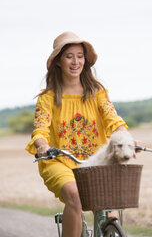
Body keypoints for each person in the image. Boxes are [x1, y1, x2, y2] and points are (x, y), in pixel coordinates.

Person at [26, 31, 128, 237]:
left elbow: (113, 119)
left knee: (110, 205)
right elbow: (40, 129)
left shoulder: (97, 91)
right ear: (58, 62)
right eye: (69, 56)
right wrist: (42, 146)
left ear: (85, 60)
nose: (75, 61)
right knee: (74, 195)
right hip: (59, 160)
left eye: (80, 56)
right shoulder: (48, 98)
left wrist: (125, 138)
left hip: (93, 160)